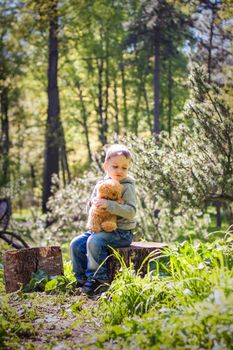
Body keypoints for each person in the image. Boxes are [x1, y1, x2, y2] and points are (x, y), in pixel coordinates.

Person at [70, 144, 137, 296]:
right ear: (106, 166)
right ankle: (81, 279)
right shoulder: (101, 185)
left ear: (129, 168)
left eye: (124, 168)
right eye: (115, 166)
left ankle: (99, 280)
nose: (120, 171)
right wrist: (94, 205)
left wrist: (110, 205)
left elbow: (131, 212)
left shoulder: (127, 187)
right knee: (76, 244)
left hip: (121, 232)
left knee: (94, 242)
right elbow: (91, 207)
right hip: (100, 228)